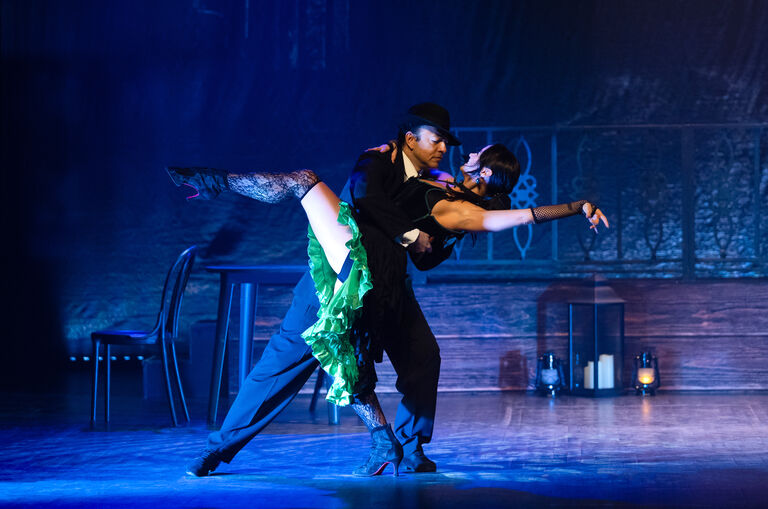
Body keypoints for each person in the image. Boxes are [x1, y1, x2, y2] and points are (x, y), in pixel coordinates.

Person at [170, 111, 609, 476]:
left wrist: (576, 207)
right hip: (350, 269)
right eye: (439, 141)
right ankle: (225, 447)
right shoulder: (423, 174)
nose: (458, 152)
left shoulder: (459, 206)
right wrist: (416, 231)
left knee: (411, 356)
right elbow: (376, 198)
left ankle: (403, 446)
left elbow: (511, 219)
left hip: (381, 277)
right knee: (299, 360)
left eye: (472, 154)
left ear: (486, 171)